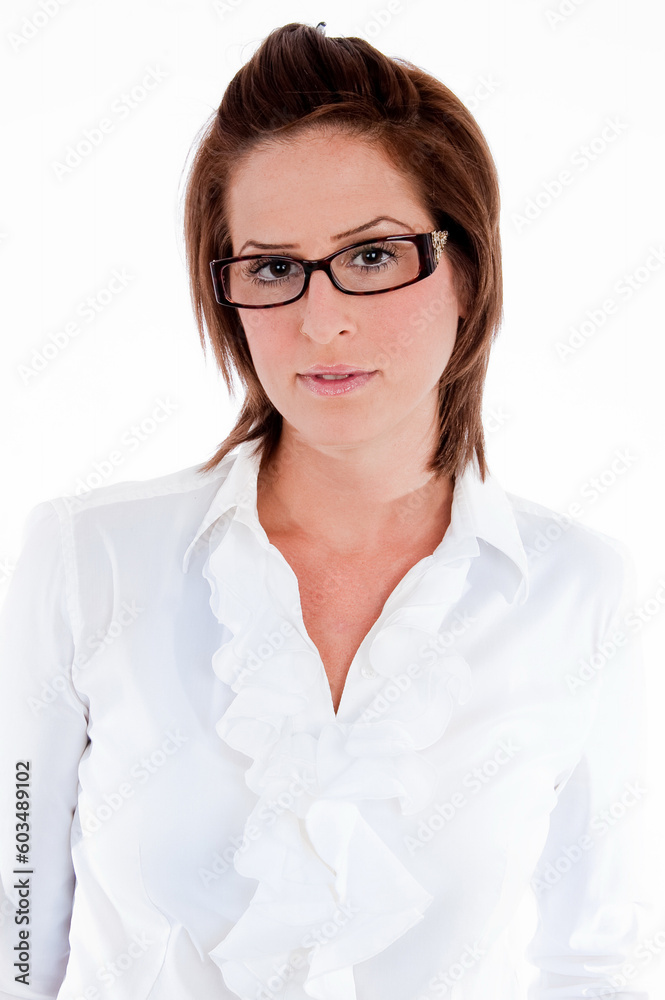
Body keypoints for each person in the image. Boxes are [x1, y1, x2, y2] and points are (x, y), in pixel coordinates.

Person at [0, 20, 652, 1000]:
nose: (320, 318)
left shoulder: (577, 589)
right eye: (271, 267)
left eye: (373, 255)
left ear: (464, 270)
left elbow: (595, 963)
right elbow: (15, 924)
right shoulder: (89, 557)